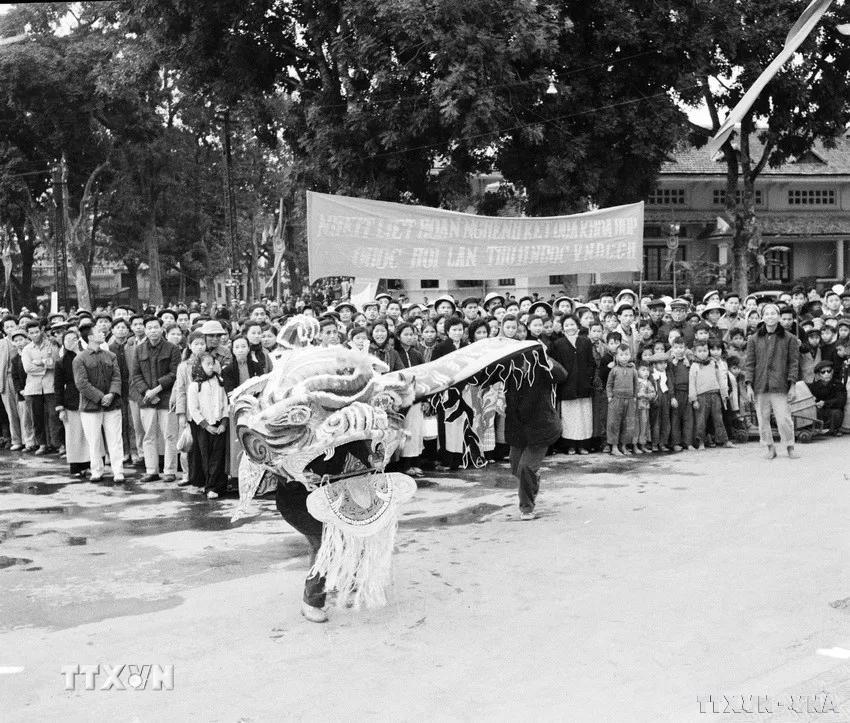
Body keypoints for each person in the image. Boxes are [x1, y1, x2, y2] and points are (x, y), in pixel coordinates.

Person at [504, 348, 567, 520]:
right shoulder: (509, 367)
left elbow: (561, 375)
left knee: (526, 468)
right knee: (516, 467)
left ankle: (527, 508)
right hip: (518, 428)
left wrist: (545, 357)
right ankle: (533, 479)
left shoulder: (541, 366)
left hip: (541, 427)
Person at [744, 303, 800, 460]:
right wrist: (749, 385)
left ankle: (790, 446)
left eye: (773, 313)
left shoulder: (789, 338)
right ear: (762, 317)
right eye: (766, 314)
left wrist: (792, 385)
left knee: (783, 419)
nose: (770, 316)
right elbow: (749, 363)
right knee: (763, 419)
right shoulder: (754, 339)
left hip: (780, 385)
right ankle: (770, 447)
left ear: (779, 317)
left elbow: (793, 363)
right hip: (760, 385)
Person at [129, 316, 181, 482]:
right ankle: (151, 470)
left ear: (162, 329)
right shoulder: (139, 349)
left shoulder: (172, 349)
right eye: (149, 328)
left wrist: (157, 389)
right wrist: (147, 392)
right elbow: (135, 374)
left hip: (166, 398)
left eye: (156, 327)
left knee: (169, 436)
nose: (153, 331)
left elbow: (174, 373)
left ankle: (169, 471)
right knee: (149, 436)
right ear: (145, 330)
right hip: (146, 399)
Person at [73, 324, 125, 482]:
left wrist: (112, 394)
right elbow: (82, 384)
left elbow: (117, 377)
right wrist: (102, 397)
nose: (103, 333)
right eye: (99, 332)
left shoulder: (111, 356)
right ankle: (96, 470)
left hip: (112, 404)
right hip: (90, 407)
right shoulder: (80, 359)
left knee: (115, 439)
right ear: (90, 337)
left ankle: (118, 471)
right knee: (93, 440)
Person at [187, 353, 229, 499]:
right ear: (200, 366)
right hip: (203, 427)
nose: (211, 367)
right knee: (206, 456)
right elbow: (193, 409)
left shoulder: (219, 381)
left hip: (219, 424)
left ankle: (217, 486)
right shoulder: (195, 385)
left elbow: (225, 403)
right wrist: (206, 425)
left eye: (213, 363)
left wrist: (223, 422)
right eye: (207, 364)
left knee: (218, 456)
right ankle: (209, 485)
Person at [551, 315, 595, 454]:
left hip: (584, 385)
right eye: (567, 325)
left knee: (584, 416)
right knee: (569, 417)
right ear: (563, 328)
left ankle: (582, 445)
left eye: (572, 324)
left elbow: (591, 362)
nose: (570, 327)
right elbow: (556, 365)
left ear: (577, 325)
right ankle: (570, 445)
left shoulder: (585, 341)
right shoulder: (558, 344)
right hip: (567, 386)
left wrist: (588, 377)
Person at [54, 328, 91, 479]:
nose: (71, 342)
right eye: (67, 340)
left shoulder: (87, 356)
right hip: (71, 401)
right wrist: (60, 408)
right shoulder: (61, 362)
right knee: (74, 435)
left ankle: (92, 464)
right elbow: (58, 386)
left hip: (89, 398)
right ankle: (77, 466)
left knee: (90, 434)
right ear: (63, 342)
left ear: (79, 340)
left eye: (73, 339)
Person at [21, 319, 61, 455]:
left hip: (50, 386)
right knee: (36, 418)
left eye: (37, 332)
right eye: (31, 333)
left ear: (41, 330)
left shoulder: (51, 345)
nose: (34, 335)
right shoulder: (26, 349)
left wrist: (40, 362)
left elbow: (55, 363)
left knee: (54, 416)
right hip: (33, 388)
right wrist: (46, 366)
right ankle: (42, 444)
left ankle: (58, 444)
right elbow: (28, 368)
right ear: (27, 334)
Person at [688, 341, 732, 450]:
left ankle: (725, 441)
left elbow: (720, 378)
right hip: (701, 397)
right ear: (695, 352)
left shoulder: (713, 363)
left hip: (715, 395)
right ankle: (701, 442)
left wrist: (724, 394)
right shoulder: (694, 365)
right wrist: (694, 399)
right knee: (701, 421)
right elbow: (692, 383)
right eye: (700, 351)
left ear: (708, 351)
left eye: (705, 350)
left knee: (719, 419)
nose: (703, 353)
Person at [606, 344, 638, 455]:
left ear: (630, 355)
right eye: (621, 355)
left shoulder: (633, 370)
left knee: (627, 424)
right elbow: (609, 384)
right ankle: (614, 447)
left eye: (626, 354)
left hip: (629, 400)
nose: (624, 357)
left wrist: (635, 397)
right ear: (617, 357)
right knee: (614, 423)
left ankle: (624, 446)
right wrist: (610, 396)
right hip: (616, 400)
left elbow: (636, 385)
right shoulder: (614, 370)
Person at [809, 359, 846, 436]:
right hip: (820, 412)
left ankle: (832, 430)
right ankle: (817, 429)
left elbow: (841, 401)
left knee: (836, 413)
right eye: (823, 372)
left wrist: (825, 403)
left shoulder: (838, 385)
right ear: (818, 375)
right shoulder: (813, 387)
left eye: (829, 371)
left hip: (832, 411)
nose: (827, 374)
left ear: (832, 372)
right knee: (813, 411)